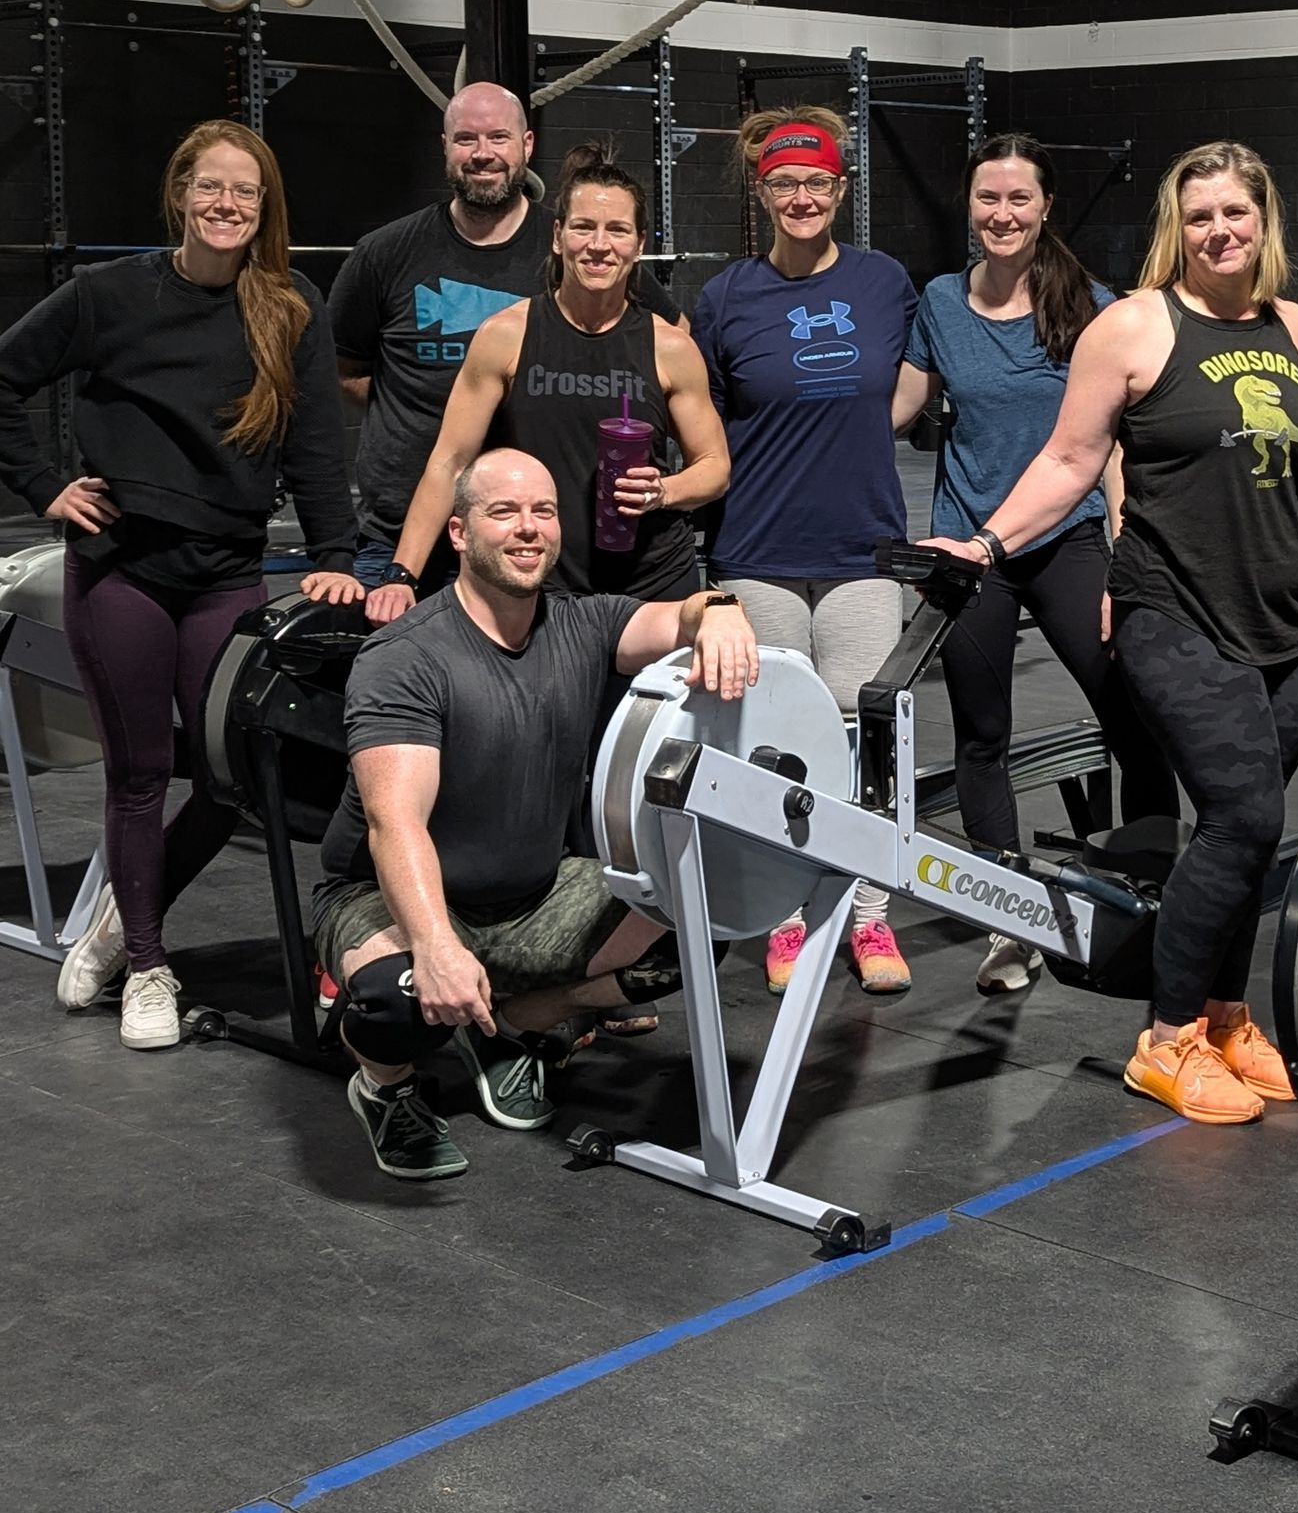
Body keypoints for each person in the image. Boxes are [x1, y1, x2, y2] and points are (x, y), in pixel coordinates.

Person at [926, 140, 1298, 1126]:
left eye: (1236, 213)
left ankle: (1228, 1020)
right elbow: (1070, 461)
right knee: (1242, 817)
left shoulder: (1295, 325)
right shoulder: (1131, 326)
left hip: (1287, 622)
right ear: (1174, 229)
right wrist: (987, 541)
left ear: (1264, 220)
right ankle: (1167, 1036)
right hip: (1173, 609)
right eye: (1200, 217)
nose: (1220, 232)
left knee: (1252, 823)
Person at [0, 120, 362, 1050]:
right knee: (139, 776)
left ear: (265, 207)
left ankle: (126, 919)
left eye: (246, 192)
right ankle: (151, 968)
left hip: (225, 573)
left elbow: (319, 445)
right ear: (179, 195)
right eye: (211, 188)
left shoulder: (289, 308)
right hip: (124, 568)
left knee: (234, 775)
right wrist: (45, 488)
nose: (227, 205)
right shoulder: (108, 295)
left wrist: (334, 555)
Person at [313, 448, 757, 1181]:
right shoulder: (405, 657)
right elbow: (397, 825)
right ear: (459, 533)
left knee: (695, 924)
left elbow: (681, 615)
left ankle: (518, 1023)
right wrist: (434, 946)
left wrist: (723, 611)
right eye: (504, 512)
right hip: (387, 897)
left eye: (543, 512)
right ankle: (384, 1089)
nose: (528, 529)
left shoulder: (584, 624)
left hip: (533, 894)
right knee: (394, 1002)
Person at [892, 133, 1178, 994]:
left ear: (1046, 207)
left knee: (1133, 718)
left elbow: (1115, 446)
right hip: (969, 546)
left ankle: (1148, 899)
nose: (1002, 215)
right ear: (969, 208)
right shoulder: (940, 301)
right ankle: (1006, 922)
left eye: (1020, 199)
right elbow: (900, 406)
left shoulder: (1090, 304)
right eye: (988, 199)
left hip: (1068, 539)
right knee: (982, 738)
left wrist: (1126, 550)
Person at [693, 107, 918, 996]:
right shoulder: (726, 298)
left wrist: (853, 433)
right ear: (762, 192)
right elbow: (705, 425)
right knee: (774, 745)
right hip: (758, 550)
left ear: (840, 190)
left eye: (816, 182)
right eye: (783, 184)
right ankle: (784, 923)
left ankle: (867, 919)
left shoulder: (883, 282)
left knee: (870, 746)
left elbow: (905, 386)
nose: (800, 198)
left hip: (864, 550)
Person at [328, 82, 685, 589]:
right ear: (445, 147)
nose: (483, 154)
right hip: (403, 529)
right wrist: (410, 408)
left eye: (499, 137)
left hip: (523, 534)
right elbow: (342, 369)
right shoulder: (385, 253)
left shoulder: (578, 245)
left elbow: (669, 341)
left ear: (527, 146)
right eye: (466, 139)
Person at [369, 142, 725, 619]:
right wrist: (401, 574)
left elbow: (714, 465)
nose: (599, 245)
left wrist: (664, 491)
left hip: (652, 585)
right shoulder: (505, 335)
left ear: (639, 245)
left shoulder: (671, 347)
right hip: (541, 586)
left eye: (617, 230)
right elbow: (450, 460)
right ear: (558, 236)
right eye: (583, 227)